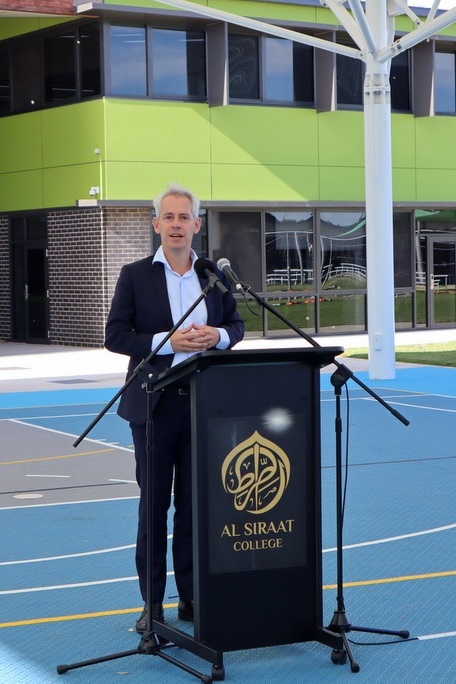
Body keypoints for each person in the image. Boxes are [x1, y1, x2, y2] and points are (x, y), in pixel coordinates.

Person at [105, 183, 245, 634]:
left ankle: (190, 599)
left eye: (185, 217)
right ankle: (153, 607)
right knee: (154, 508)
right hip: (154, 406)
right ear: (156, 225)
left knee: (195, 508)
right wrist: (165, 341)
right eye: (169, 217)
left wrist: (216, 337)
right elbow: (116, 335)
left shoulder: (213, 277)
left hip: (204, 406)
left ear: (197, 225)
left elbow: (236, 325)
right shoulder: (134, 275)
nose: (177, 225)